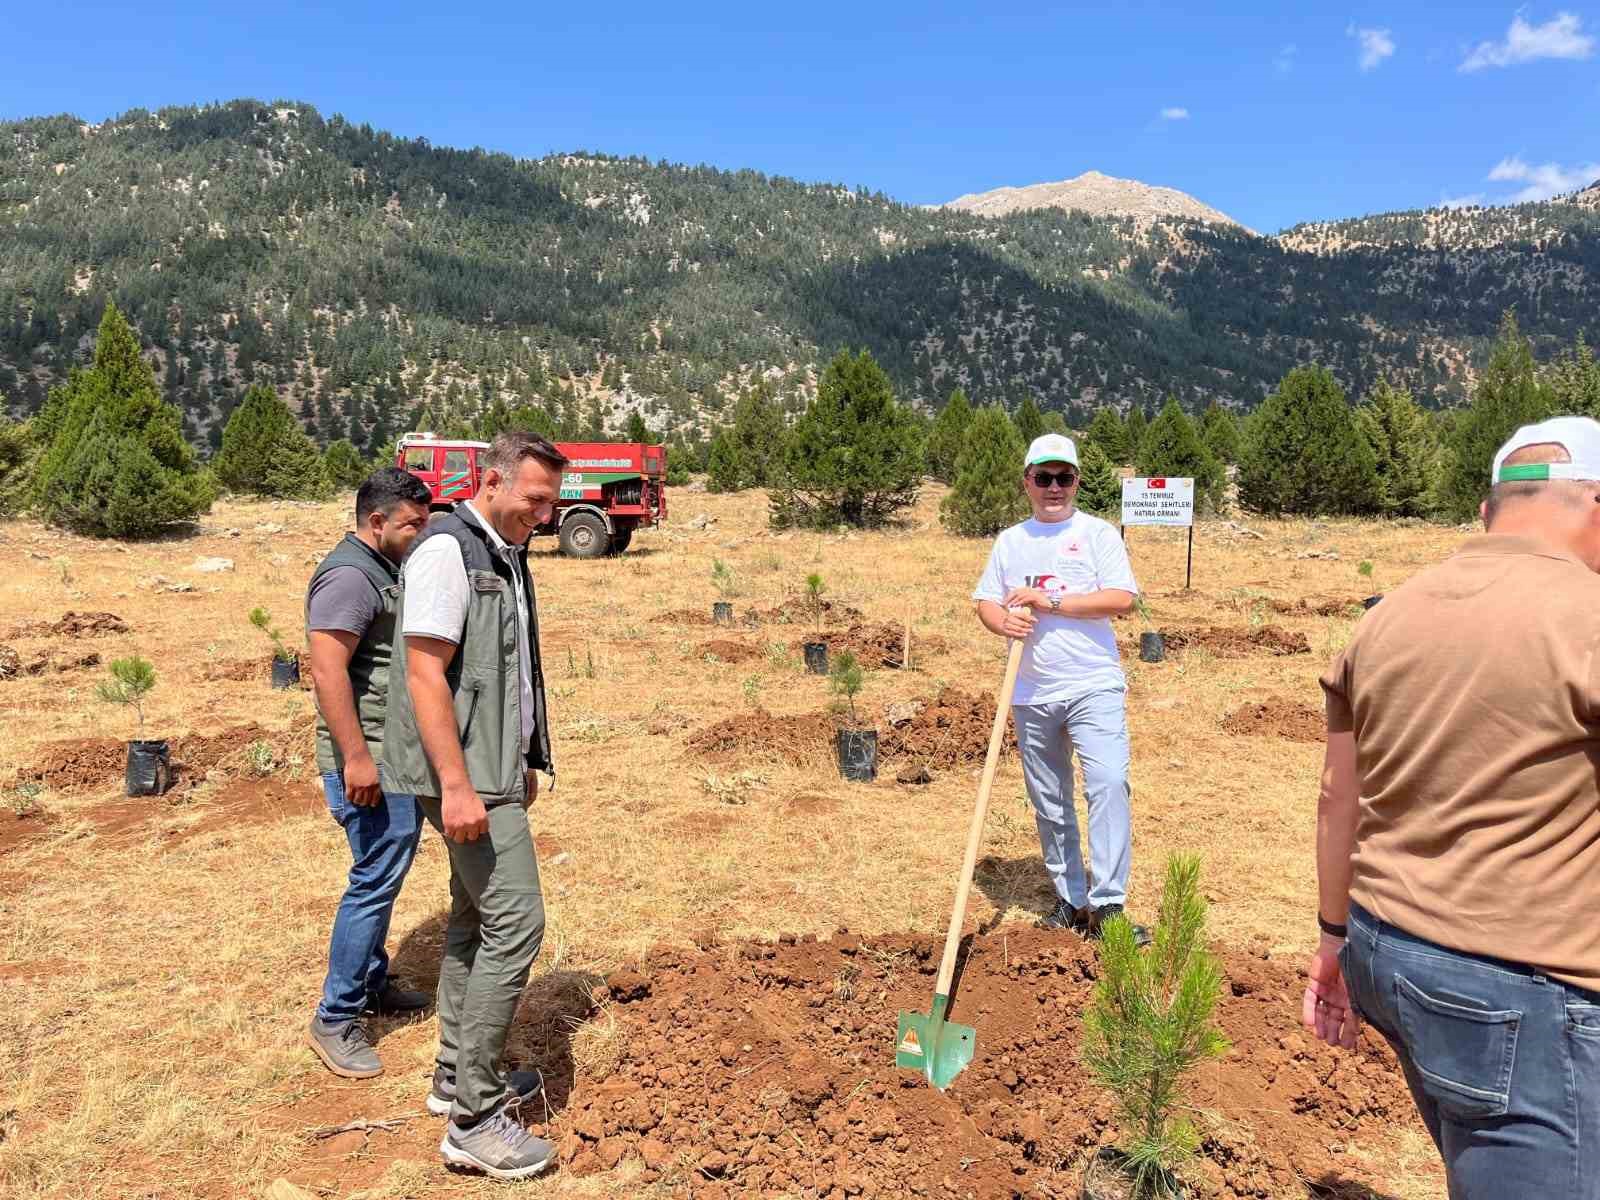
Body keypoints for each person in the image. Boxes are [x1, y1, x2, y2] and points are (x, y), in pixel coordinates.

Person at [1305, 416, 1600, 1198]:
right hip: (1530, 992)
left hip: (1386, 950)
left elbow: (1340, 798)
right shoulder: (1588, 617)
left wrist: (1334, 943)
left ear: (1489, 510)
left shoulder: (1386, 616)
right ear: (1595, 504)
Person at [384, 431, 566, 1181]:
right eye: (535, 498)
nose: (547, 514)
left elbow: (505, 671)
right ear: (490, 482)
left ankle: (456, 1075)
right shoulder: (447, 552)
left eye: (552, 501)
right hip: (464, 777)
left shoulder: (502, 550)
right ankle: (475, 1120)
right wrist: (459, 785)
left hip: (491, 767)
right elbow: (425, 673)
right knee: (518, 920)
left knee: (472, 916)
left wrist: (524, 756)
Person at [972, 432, 1147, 944]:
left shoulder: (1098, 535)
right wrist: (999, 623)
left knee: (1109, 783)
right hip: (1030, 691)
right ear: (1027, 481)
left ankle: (1108, 904)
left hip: (1093, 683)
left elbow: (1121, 599)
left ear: (1077, 481)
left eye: (1064, 477)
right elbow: (986, 600)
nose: (1054, 487)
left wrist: (1050, 602)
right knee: (1050, 800)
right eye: (1043, 477)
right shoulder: (1010, 541)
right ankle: (1070, 898)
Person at [305, 468, 434, 1079]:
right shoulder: (351, 576)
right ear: (376, 521)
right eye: (411, 524)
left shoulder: (381, 568)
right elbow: (328, 672)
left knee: (383, 871)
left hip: (390, 755)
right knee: (374, 878)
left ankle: (371, 980)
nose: (420, 534)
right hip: (369, 761)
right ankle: (336, 1016)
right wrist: (357, 758)